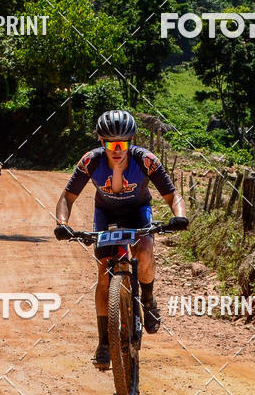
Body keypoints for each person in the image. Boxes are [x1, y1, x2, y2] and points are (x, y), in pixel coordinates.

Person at [54, 109, 188, 370]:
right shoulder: (90, 161)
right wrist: (62, 224)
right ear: (101, 143)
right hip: (105, 214)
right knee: (104, 273)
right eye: (110, 143)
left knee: (146, 248)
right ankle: (104, 342)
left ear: (132, 141)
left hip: (138, 212)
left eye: (122, 143)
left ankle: (148, 300)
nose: (116, 149)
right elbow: (67, 197)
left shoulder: (146, 160)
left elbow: (172, 195)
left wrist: (180, 216)